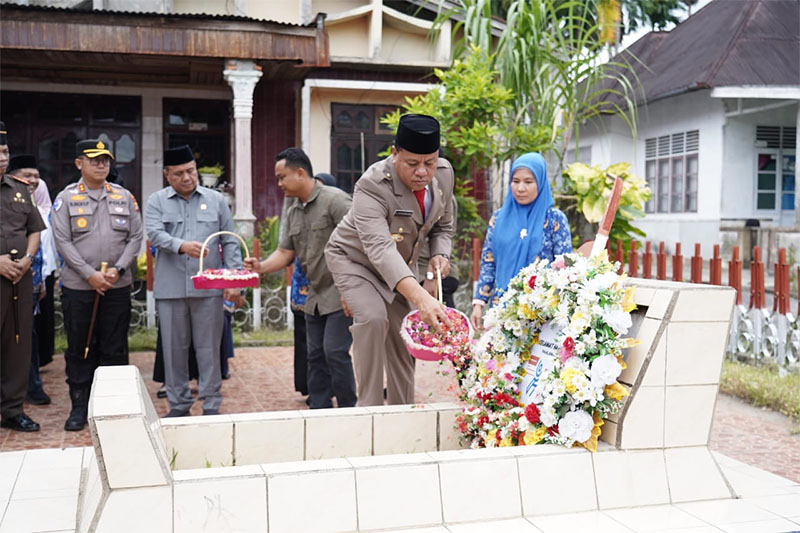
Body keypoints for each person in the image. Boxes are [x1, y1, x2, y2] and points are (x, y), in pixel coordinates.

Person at [324, 114, 455, 406]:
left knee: (403, 335)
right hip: (355, 260)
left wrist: (439, 255)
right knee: (373, 318)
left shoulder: (444, 174)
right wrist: (421, 297)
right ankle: (368, 409)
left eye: (430, 162)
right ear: (394, 154)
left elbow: (443, 226)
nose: (422, 172)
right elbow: (380, 249)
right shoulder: (371, 186)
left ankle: (402, 409)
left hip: (400, 266)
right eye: (412, 163)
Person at [245, 148, 357, 409]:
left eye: (282, 177)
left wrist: (351, 288)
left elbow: (361, 243)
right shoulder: (294, 210)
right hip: (314, 294)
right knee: (314, 354)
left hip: (342, 292)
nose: (279, 184)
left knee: (335, 352)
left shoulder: (336, 201)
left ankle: (349, 409)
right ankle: (319, 408)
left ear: (300, 173)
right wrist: (259, 266)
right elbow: (285, 252)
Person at [52, 139, 144, 431]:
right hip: (79, 287)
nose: (102, 164)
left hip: (117, 286)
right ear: (79, 163)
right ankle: (80, 405)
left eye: (105, 159)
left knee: (114, 346)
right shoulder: (66, 199)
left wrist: (118, 269)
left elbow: (135, 237)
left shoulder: (124, 196)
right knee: (81, 346)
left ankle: (115, 407)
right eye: (95, 160)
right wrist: (89, 274)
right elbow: (63, 241)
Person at [146, 145, 242, 417]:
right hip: (171, 289)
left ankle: (211, 405)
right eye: (179, 174)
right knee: (174, 351)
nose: (187, 178)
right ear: (167, 175)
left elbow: (230, 241)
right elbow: (154, 233)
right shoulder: (157, 201)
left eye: (191, 171)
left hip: (209, 289)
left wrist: (233, 282)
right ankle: (178, 405)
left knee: (209, 350)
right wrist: (181, 245)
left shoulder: (216, 200)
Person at [470, 152, 572, 330]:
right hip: (501, 310)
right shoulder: (498, 218)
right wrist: (479, 303)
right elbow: (489, 262)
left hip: (540, 314)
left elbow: (565, 268)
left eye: (528, 182)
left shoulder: (555, 220)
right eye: (515, 181)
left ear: (540, 183)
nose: (520, 188)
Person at [0, 122, 45, 432]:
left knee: (17, 342)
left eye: (4, 151)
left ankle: (12, 409)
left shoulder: (19, 189)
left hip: (19, 278)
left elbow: (34, 230)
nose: (2, 158)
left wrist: (28, 259)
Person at [6, 154, 54, 405]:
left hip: (28, 277)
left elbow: (38, 239)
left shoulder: (28, 197)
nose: (33, 180)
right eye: (28, 176)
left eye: (36, 176)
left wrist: (37, 276)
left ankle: (26, 393)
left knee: (25, 337)